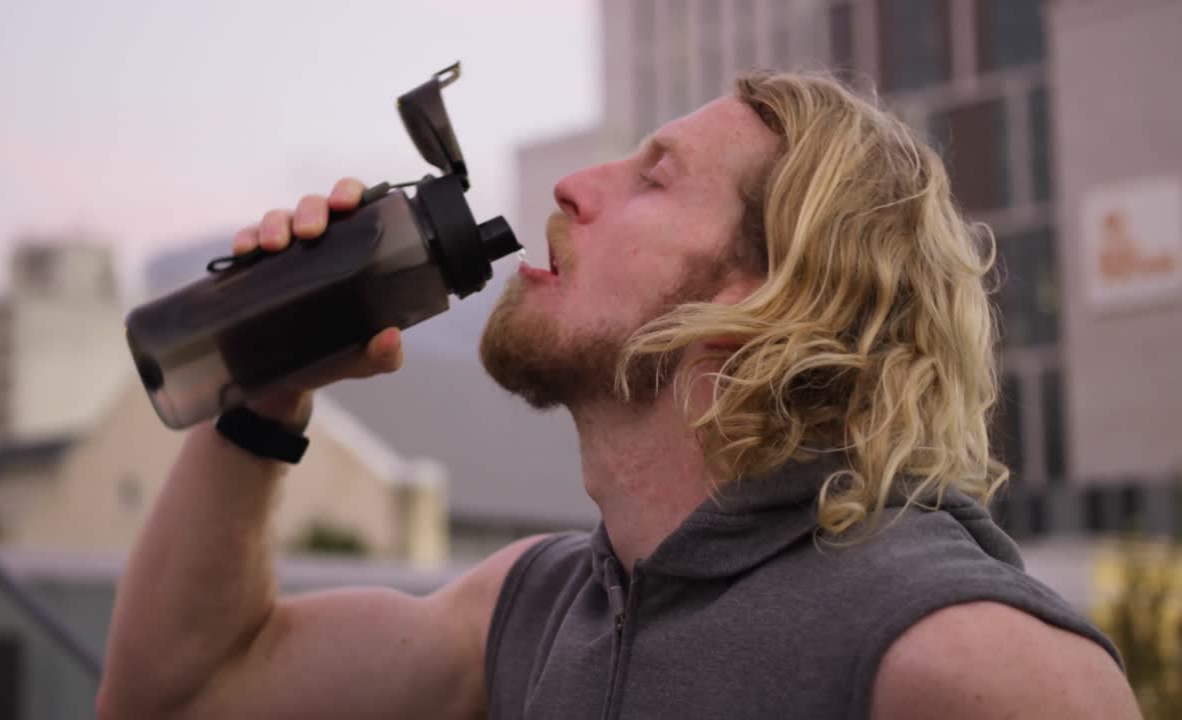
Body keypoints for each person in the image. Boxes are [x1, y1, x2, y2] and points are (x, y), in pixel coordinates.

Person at [98, 70, 1140, 719]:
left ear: (765, 291)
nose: (572, 187)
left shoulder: (966, 656)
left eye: (654, 177)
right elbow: (180, 696)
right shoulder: (538, 613)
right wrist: (264, 388)